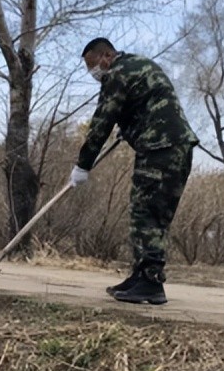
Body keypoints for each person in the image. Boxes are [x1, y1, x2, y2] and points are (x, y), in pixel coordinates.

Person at [70, 38, 199, 305]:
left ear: (106, 56)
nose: (94, 73)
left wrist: (83, 164)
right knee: (155, 214)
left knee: (145, 213)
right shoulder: (139, 64)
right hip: (177, 147)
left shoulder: (117, 73)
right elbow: (145, 103)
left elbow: (101, 121)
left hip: (159, 148)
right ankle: (141, 276)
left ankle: (150, 283)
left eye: (93, 66)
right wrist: (128, 126)